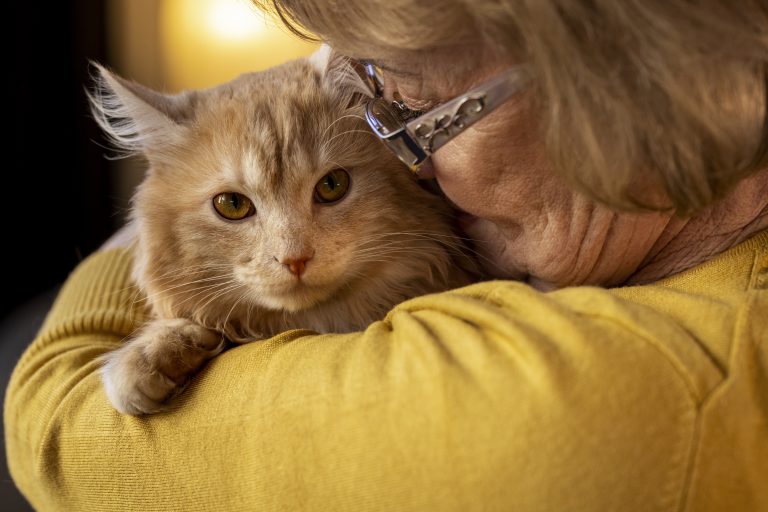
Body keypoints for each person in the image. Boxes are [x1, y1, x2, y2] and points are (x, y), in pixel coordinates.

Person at [5, 0, 767, 510]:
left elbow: (59, 422)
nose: (413, 165)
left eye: (420, 108)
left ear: (625, 77)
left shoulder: (635, 395)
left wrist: (146, 237)